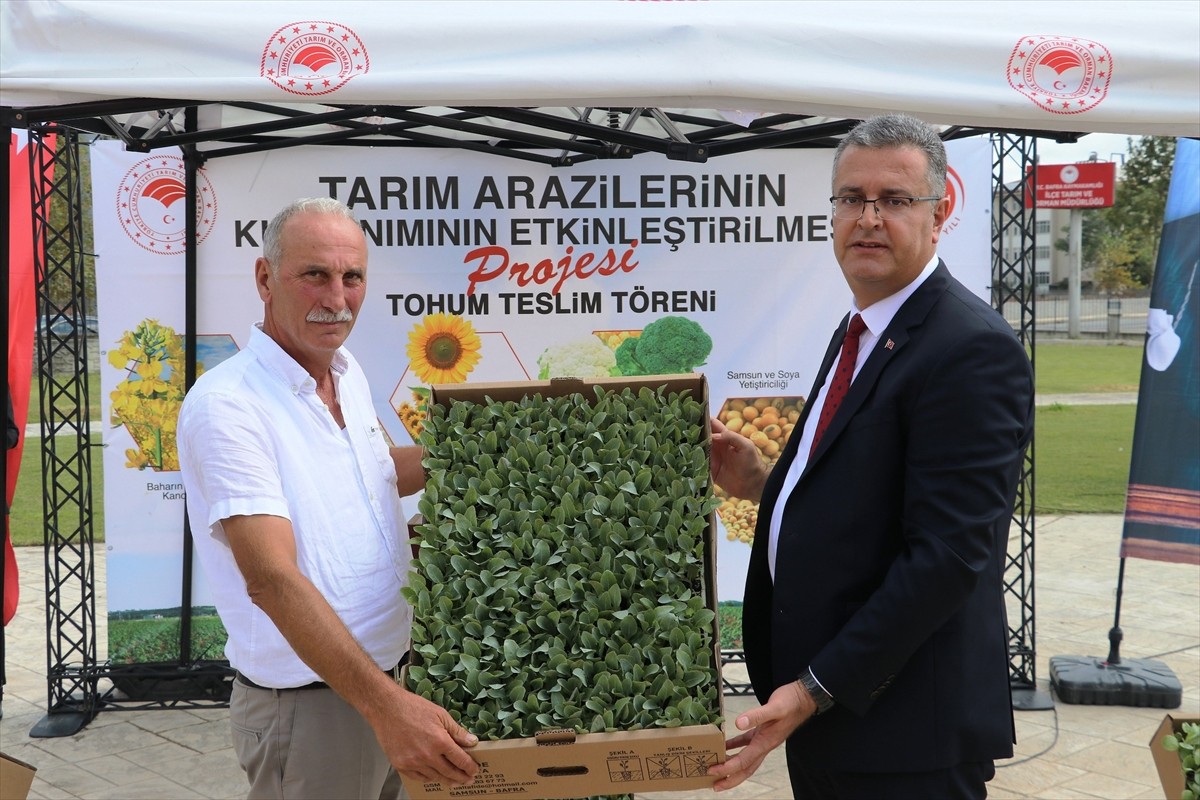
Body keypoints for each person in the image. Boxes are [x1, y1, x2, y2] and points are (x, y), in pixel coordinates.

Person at [707, 114, 1034, 799]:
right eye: (852, 198)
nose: (868, 218)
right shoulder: (861, 326)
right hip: (835, 719)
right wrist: (764, 483)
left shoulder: (970, 350)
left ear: (940, 214)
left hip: (901, 733)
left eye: (894, 200)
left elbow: (947, 557)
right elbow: (862, 503)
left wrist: (816, 688)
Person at [178, 197, 479, 799]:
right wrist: (388, 708)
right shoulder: (229, 406)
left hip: (391, 683)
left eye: (353, 276)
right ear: (265, 278)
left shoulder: (344, 371)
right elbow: (270, 578)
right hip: (316, 706)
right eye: (315, 274)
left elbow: (375, 471)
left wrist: (484, 453)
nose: (337, 298)